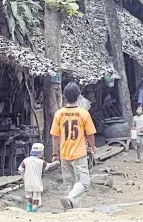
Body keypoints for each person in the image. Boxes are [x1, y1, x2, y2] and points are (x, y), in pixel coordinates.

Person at [51, 82, 97, 210]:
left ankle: (73, 211)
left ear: (65, 97)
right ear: (78, 96)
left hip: (64, 154)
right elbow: (90, 134)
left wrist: (55, 154)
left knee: (70, 184)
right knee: (84, 183)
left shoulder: (59, 114)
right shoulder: (83, 113)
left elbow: (55, 136)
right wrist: (93, 148)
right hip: (79, 154)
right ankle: (70, 200)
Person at [18, 143, 60, 212]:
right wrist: (57, 163)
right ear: (40, 153)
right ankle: (34, 211)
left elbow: (20, 170)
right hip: (36, 183)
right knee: (36, 198)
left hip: (27, 182)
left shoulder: (25, 160)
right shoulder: (41, 162)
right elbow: (49, 167)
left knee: (29, 196)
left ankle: (28, 209)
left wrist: (23, 177)